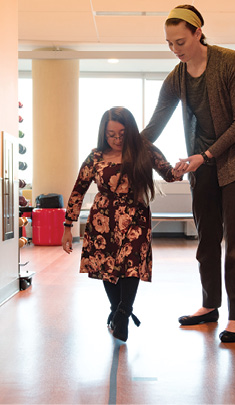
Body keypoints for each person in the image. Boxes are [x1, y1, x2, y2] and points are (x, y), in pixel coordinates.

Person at [141, 5, 235, 343]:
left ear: (198, 32)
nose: (175, 50)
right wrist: (122, 148)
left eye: (180, 41)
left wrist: (206, 154)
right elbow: (155, 125)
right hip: (203, 165)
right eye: (169, 44)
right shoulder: (177, 78)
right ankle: (210, 306)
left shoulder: (229, 62)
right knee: (207, 240)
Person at [62, 107, 185, 342]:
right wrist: (68, 227)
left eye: (122, 133)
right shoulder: (95, 156)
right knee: (108, 268)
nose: (117, 139)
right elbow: (78, 190)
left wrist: (182, 169)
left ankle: (123, 314)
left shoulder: (144, 149)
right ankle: (118, 312)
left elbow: (169, 174)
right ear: (103, 133)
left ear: (130, 131)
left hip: (136, 215)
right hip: (103, 218)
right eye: (111, 134)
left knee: (132, 263)